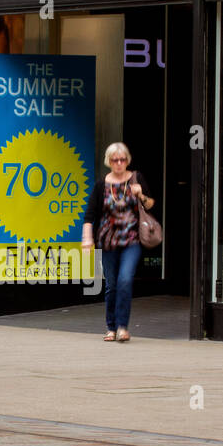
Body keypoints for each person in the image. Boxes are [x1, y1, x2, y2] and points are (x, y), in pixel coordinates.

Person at [81, 142, 155, 343]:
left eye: (123, 159)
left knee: (124, 280)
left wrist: (140, 194)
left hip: (131, 240)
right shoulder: (101, 185)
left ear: (127, 160)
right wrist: (87, 237)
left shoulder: (136, 178)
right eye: (115, 160)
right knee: (112, 284)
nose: (119, 163)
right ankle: (111, 328)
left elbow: (150, 205)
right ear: (109, 162)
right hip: (107, 242)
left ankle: (123, 327)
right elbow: (90, 215)